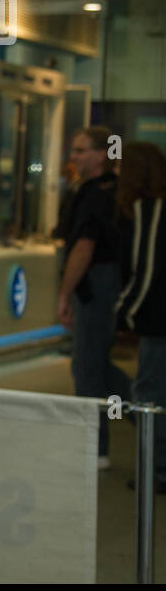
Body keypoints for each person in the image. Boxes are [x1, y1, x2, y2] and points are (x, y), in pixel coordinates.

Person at [56, 125, 129, 468]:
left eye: (81, 150)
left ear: (102, 155)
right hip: (104, 284)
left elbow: (84, 247)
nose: (74, 156)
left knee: (86, 366)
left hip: (97, 285)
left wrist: (65, 293)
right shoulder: (108, 191)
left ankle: (94, 448)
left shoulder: (96, 195)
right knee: (98, 364)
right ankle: (147, 419)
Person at [114, 141, 166, 493]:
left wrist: (124, 312)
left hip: (158, 320)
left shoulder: (151, 208)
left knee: (148, 392)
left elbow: (146, 268)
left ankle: (156, 471)